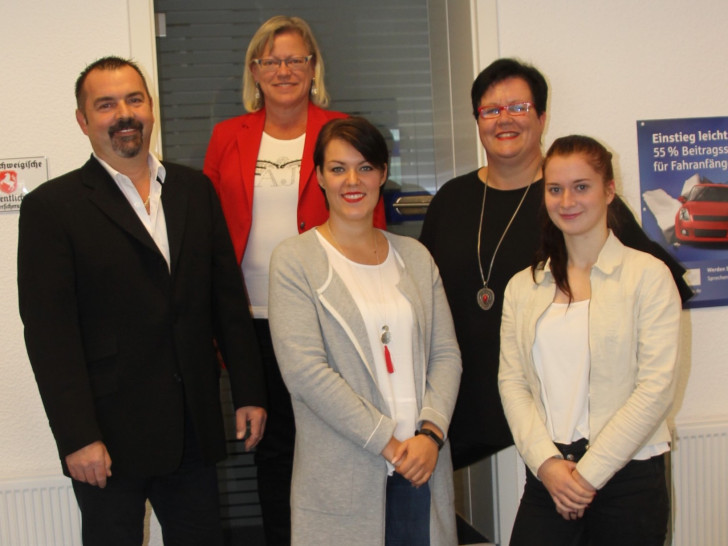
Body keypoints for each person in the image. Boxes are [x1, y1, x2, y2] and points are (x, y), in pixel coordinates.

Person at [17, 56, 266, 546]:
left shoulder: (194, 190)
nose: (124, 113)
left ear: (151, 109)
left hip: (192, 425)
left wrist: (249, 389)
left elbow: (226, 302)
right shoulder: (51, 208)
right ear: (83, 120)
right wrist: (77, 436)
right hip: (107, 436)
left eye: (134, 99)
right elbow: (50, 337)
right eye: (106, 105)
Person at [419, 58, 691, 470]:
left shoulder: (575, 200)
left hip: (558, 431)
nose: (504, 119)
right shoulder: (450, 201)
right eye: (491, 110)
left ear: (543, 117)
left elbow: (657, 286)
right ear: (477, 120)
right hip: (467, 422)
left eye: (519, 108)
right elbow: (425, 305)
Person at [203, 16, 385, 544]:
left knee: (337, 439)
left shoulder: (340, 128)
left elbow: (365, 212)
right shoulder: (226, 137)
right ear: (254, 72)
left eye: (295, 59)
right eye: (271, 61)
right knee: (273, 448)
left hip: (327, 313)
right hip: (254, 321)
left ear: (313, 68)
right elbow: (214, 235)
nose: (284, 70)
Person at [267, 117, 461, 545]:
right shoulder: (295, 260)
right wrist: (390, 445)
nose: (352, 181)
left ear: (383, 173)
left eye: (366, 167)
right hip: (347, 473)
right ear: (318, 175)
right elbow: (305, 373)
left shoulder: (415, 256)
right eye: (337, 169)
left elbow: (445, 355)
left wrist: (429, 435)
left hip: (421, 469)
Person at [499, 135, 679, 545]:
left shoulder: (647, 277)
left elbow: (655, 388)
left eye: (582, 187)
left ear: (609, 191)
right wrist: (547, 466)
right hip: (550, 476)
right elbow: (512, 384)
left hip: (628, 478)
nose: (567, 201)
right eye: (555, 189)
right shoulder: (523, 287)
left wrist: (588, 475)